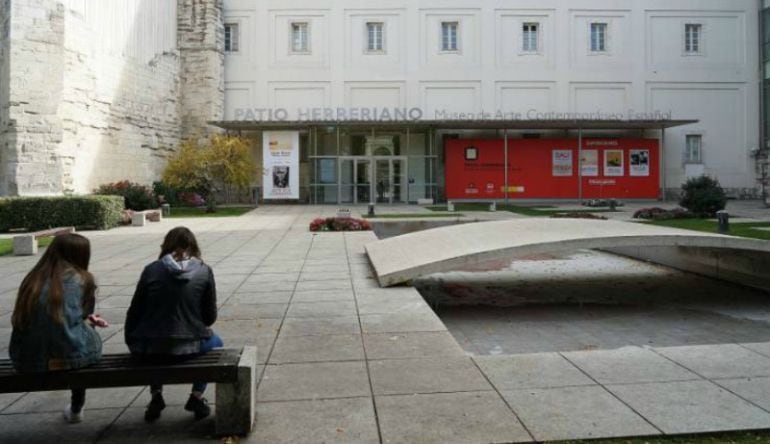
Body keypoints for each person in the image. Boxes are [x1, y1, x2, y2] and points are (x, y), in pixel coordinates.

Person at [9, 233, 108, 424]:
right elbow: (82, 315)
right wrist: (90, 320)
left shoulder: (32, 279)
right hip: (72, 356)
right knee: (84, 338)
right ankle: (77, 407)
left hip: (27, 357)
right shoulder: (84, 279)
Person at [125, 226, 221, 422]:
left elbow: (135, 310)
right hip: (189, 346)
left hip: (150, 349)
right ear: (194, 246)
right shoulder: (203, 270)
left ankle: (156, 395)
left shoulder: (151, 270)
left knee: (155, 339)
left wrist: (131, 340)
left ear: (166, 245)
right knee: (217, 343)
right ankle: (196, 395)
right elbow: (210, 317)